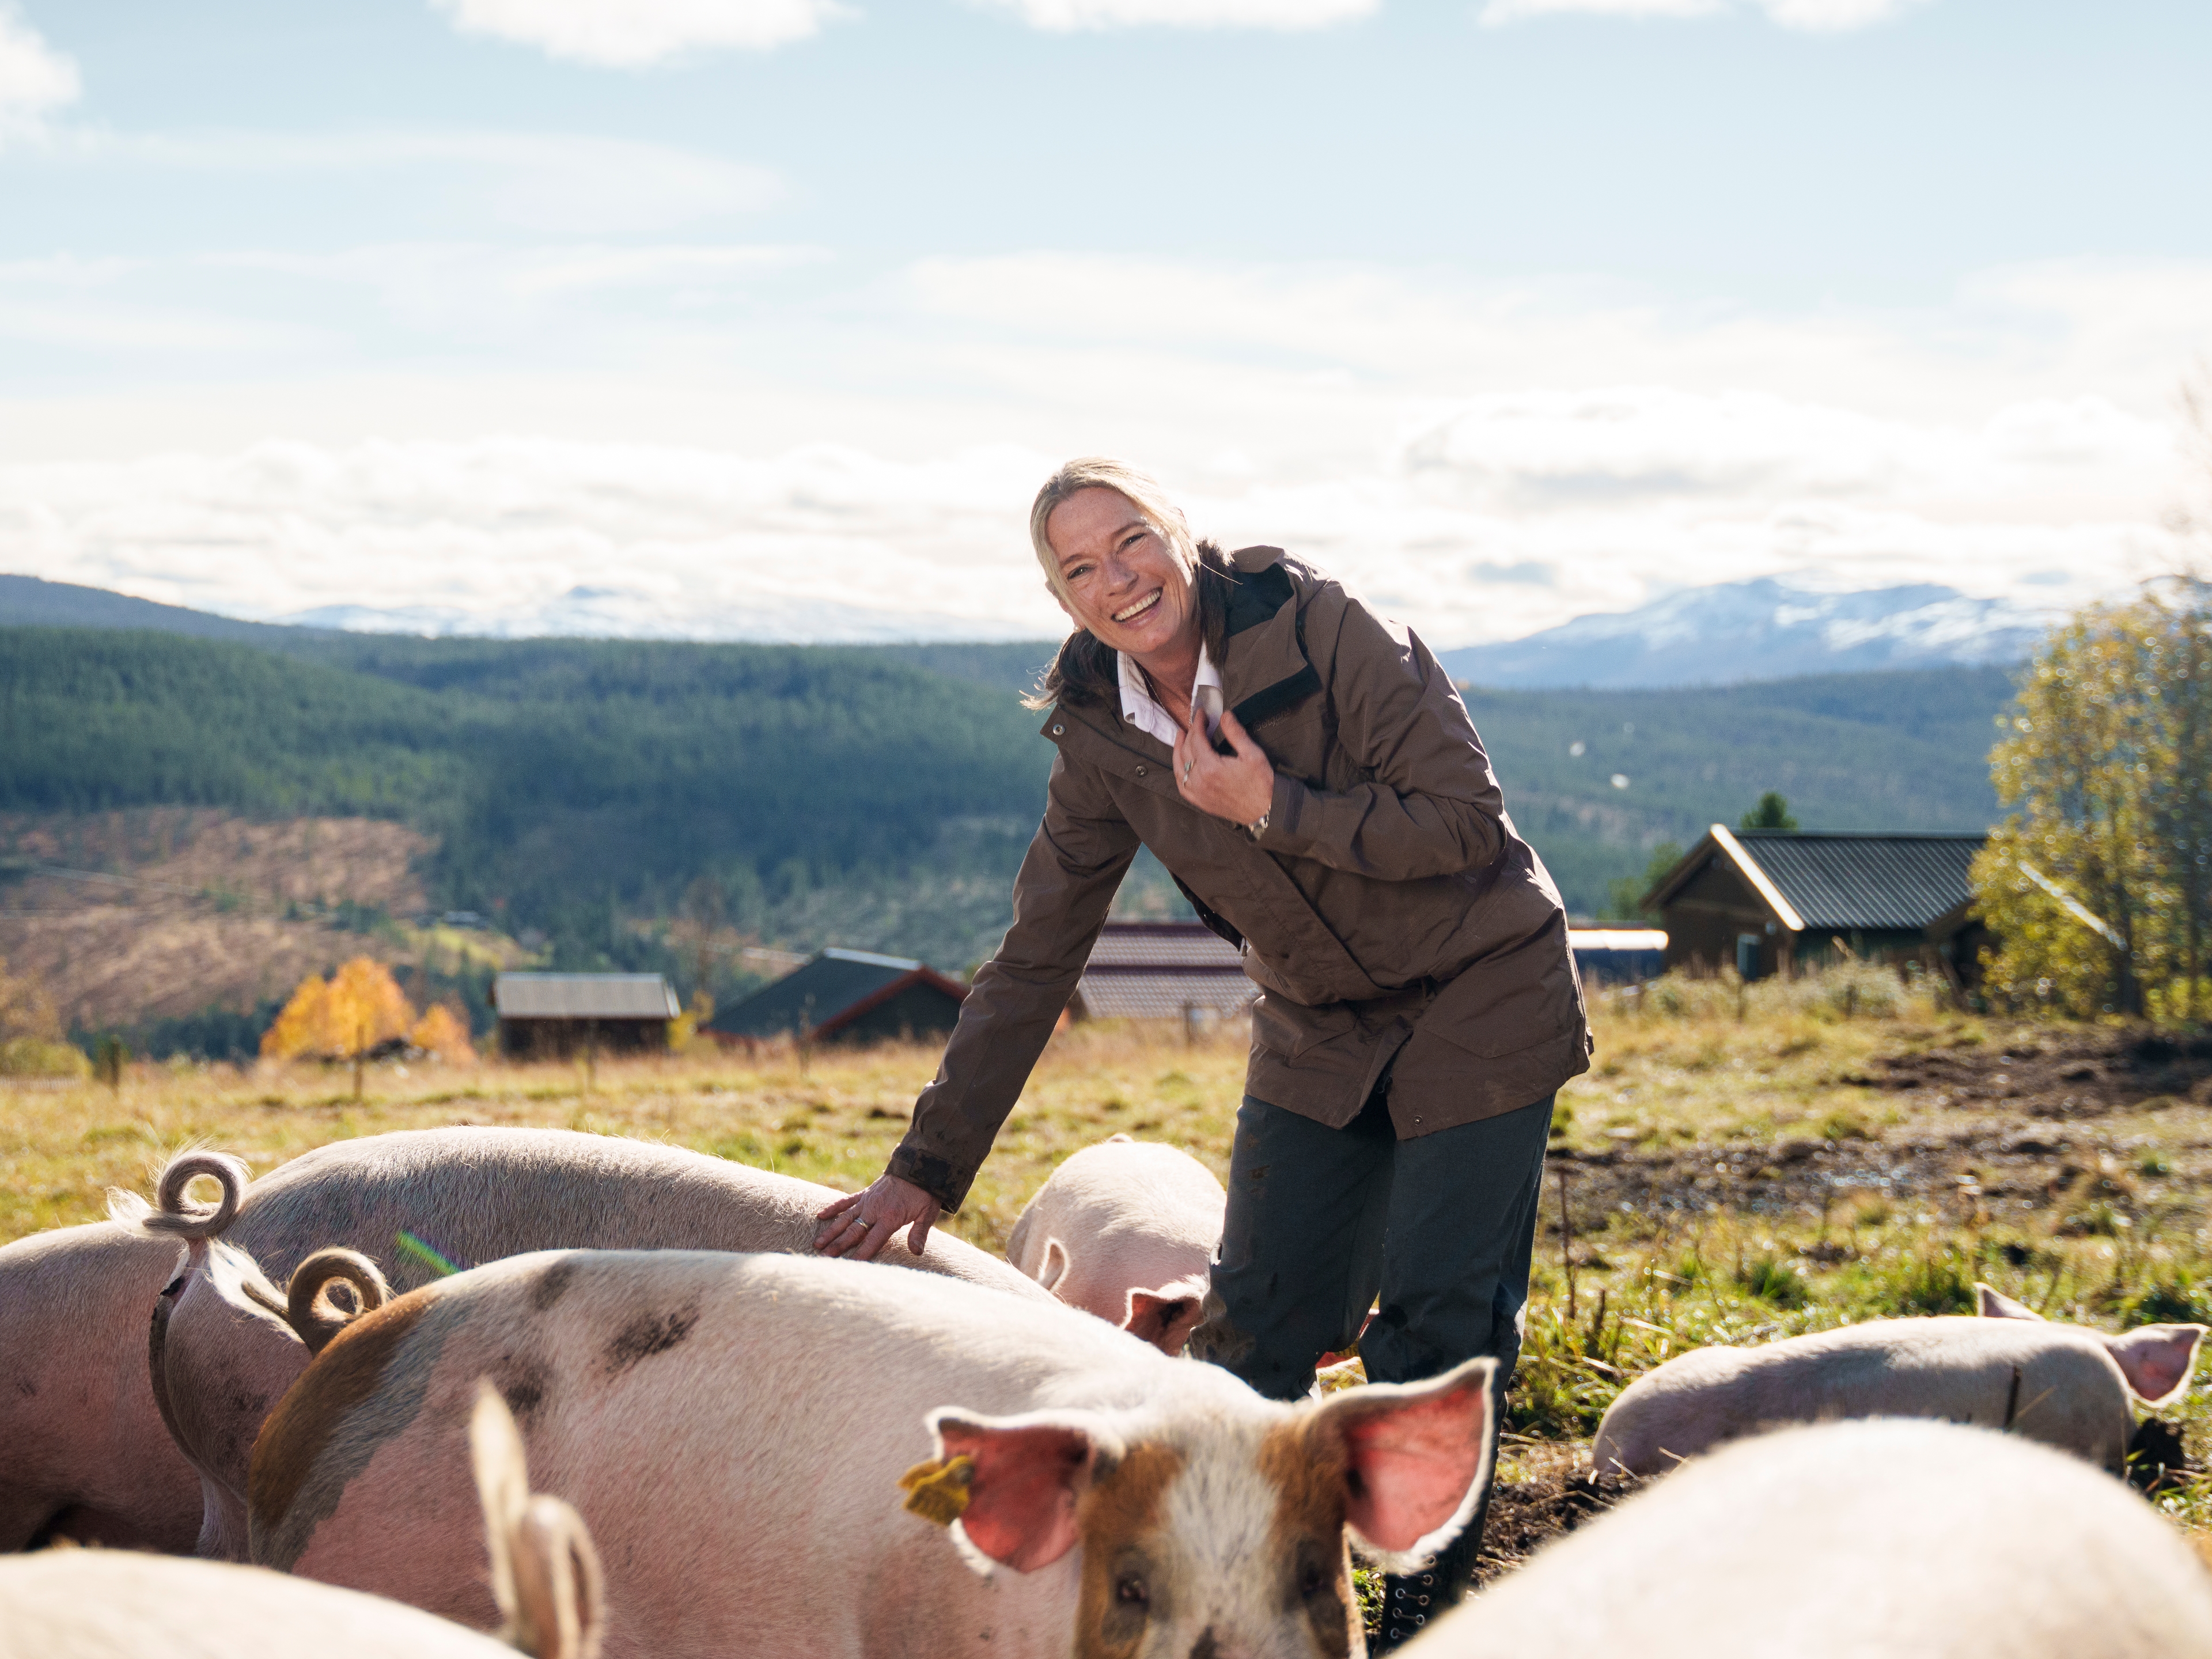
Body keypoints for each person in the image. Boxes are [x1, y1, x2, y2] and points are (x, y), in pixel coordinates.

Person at [815, 457, 1589, 1646]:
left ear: (1178, 532)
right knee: (1250, 1337)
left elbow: (1464, 822)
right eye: (1081, 567)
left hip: (1479, 989)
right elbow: (1036, 959)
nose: (1118, 579)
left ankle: (1414, 1621)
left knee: (1436, 1330)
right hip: (1320, 1017)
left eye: (1131, 540)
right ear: (1062, 600)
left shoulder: (1320, 628)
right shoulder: (1100, 736)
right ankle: (1230, 1602)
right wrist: (926, 1169)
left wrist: (1273, 808)